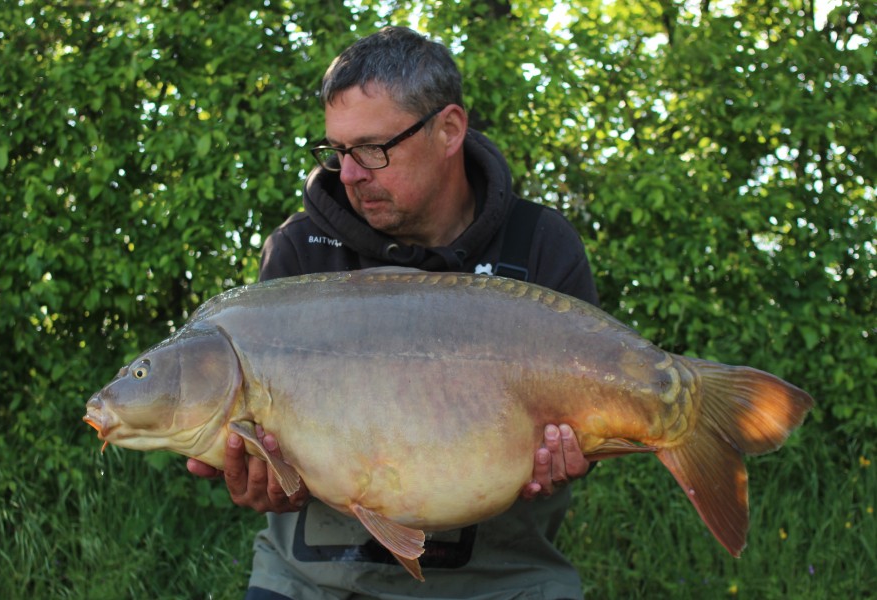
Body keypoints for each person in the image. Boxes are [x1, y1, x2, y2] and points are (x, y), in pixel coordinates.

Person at [188, 26, 600, 599]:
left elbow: (594, 422)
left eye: (372, 149)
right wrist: (266, 478)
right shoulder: (300, 254)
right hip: (313, 581)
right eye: (337, 151)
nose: (351, 174)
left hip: (504, 581)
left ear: (449, 129)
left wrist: (575, 454)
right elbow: (270, 455)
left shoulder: (540, 245)